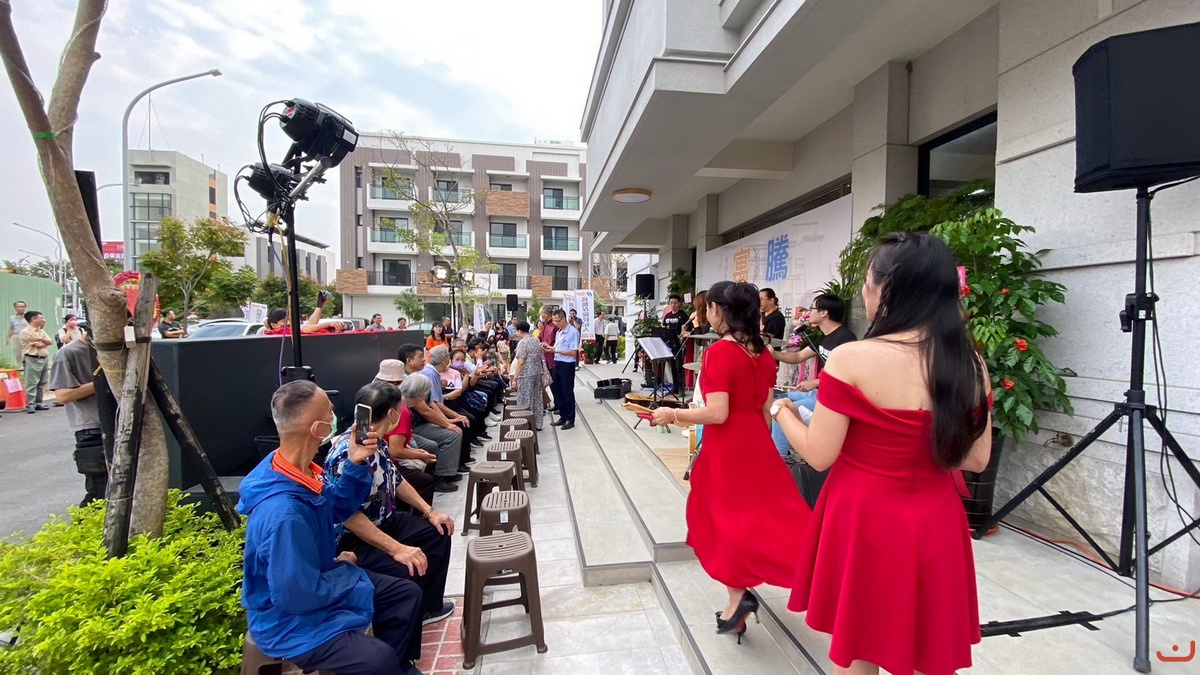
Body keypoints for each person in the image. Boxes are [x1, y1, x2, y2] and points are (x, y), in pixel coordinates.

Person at [776, 232, 991, 675]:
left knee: (858, 648)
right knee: (926, 646)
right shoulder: (969, 363)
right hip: (936, 519)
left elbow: (819, 454)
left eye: (867, 282)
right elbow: (976, 460)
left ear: (887, 289)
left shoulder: (853, 358)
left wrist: (781, 411)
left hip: (864, 518)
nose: (863, 292)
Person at [651, 281, 810, 645]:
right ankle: (738, 597)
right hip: (757, 445)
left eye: (709, 307)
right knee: (755, 519)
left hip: (727, 450)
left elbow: (718, 413)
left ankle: (738, 598)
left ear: (719, 311)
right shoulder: (763, 352)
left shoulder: (721, 352)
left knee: (719, 522)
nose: (706, 313)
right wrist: (763, 448)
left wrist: (673, 414)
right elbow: (766, 409)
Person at [239, 380, 424, 675]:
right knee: (377, 659)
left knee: (405, 594)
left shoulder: (297, 471)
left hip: (320, 582)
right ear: (318, 429)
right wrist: (345, 571)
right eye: (329, 410)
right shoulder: (283, 513)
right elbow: (296, 595)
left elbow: (338, 508)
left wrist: (355, 463)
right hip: (291, 620)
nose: (336, 414)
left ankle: (398, 666)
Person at [326, 382, 456, 635]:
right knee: (406, 568)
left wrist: (430, 512)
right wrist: (396, 548)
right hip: (355, 537)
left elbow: (395, 478)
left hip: (385, 519)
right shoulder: (347, 452)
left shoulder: (377, 441)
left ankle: (429, 607)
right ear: (392, 414)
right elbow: (349, 516)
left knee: (438, 532)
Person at [770, 293, 857, 506]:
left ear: (824, 312)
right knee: (777, 397)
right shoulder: (824, 337)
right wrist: (773, 353)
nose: (809, 313)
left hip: (829, 399)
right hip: (817, 393)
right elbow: (798, 357)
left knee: (783, 412)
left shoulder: (846, 339)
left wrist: (816, 382)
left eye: (813, 308)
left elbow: (849, 375)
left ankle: (777, 463)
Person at [47, 326, 106, 506]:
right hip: (90, 426)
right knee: (99, 489)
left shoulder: (114, 348)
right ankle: (85, 520)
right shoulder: (68, 353)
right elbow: (63, 396)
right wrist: (102, 381)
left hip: (118, 421)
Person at [397, 344, 468, 489]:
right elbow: (425, 409)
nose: (424, 360)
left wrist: (448, 420)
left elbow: (430, 403)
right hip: (416, 426)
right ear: (409, 361)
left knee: (458, 426)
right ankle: (442, 475)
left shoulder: (419, 376)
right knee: (451, 435)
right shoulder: (413, 381)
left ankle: (449, 471)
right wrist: (447, 423)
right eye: (420, 357)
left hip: (416, 425)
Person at [373, 360, 439, 507]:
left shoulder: (388, 402)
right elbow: (395, 450)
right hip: (386, 460)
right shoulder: (401, 410)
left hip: (384, 453)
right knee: (425, 479)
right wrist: (420, 455)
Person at [507, 321, 546, 430]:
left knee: (525, 399)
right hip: (537, 372)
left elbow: (520, 362)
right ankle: (538, 423)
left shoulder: (522, 343)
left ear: (519, 331)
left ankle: (526, 424)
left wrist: (515, 378)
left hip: (526, 374)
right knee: (537, 398)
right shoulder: (535, 340)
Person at [544, 309, 579, 430]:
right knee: (558, 391)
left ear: (563, 319)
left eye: (557, 321)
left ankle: (570, 419)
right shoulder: (559, 332)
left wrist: (556, 350)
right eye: (553, 321)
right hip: (557, 363)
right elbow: (556, 348)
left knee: (567, 392)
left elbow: (573, 352)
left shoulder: (572, 332)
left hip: (567, 365)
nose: (555, 323)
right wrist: (549, 348)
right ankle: (563, 417)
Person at [18, 311, 53, 413]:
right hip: (32, 358)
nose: (43, 320)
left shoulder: (40, 331)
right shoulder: (25, 332)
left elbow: (50, 342)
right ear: (33, 319)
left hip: (44, 358)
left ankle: (38, 402)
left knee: (42, 382)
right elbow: (38, 345)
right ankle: (30, 404)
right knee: (32, 382)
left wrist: (40, 338)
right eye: (40, 318)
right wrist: (43, 341)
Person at [661, 295, 688, 389]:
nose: (673, 305)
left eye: (675, 303)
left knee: (679, 366)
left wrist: (682, 338)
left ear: (679, 303)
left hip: (679, 344)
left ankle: (681, 387)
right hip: (669, 344)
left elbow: (686, 329)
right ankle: (675, 386)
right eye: (671, 303)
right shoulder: (667, 316)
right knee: (672, 365)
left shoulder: (683, 315)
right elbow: (663, 328)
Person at [538, 307, 558, 410]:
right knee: (551, 383)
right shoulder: (545, 326)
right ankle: (556, 403)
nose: (541, 316)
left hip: (554, 358)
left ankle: (559, 404)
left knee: (556, 383)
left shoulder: (554, 326)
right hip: (547, 358)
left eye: (541, 314)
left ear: (545, 314)